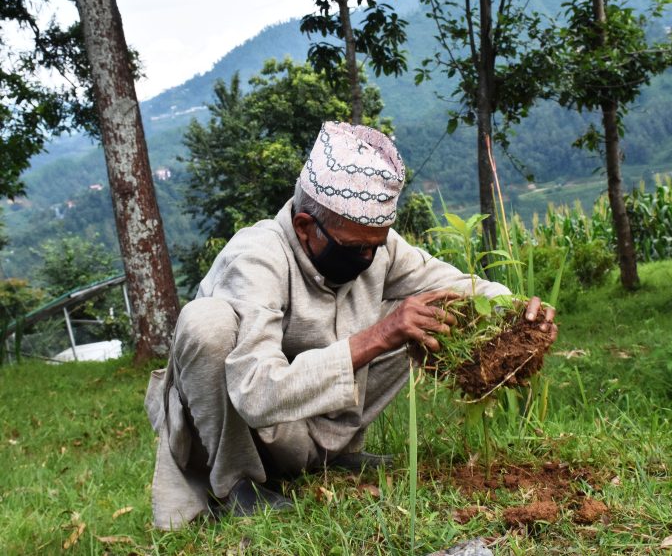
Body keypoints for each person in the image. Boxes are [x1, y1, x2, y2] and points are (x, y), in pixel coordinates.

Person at [144, 121, 557, 530]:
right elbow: (255, 394)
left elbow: (450, 285)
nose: (366, 258)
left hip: (311, 430)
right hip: (254, 434)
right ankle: (238, 486)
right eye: (355, 247)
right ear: (305, 226)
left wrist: (517, 311)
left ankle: (333, 455)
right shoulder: (257, 258)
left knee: (417, 312)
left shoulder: (376, 247)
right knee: (205, 324)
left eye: (375, 246)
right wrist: (379, 335)